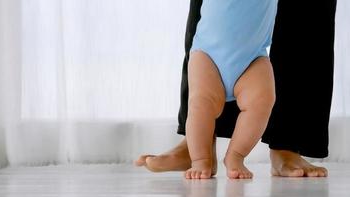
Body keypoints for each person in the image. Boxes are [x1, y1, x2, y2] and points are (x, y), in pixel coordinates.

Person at [136, 0, 337, 178]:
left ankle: (241, 154)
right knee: (201, 103)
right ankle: (199, 151)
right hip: (208, 54)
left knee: (262, 99)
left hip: (254, 58)